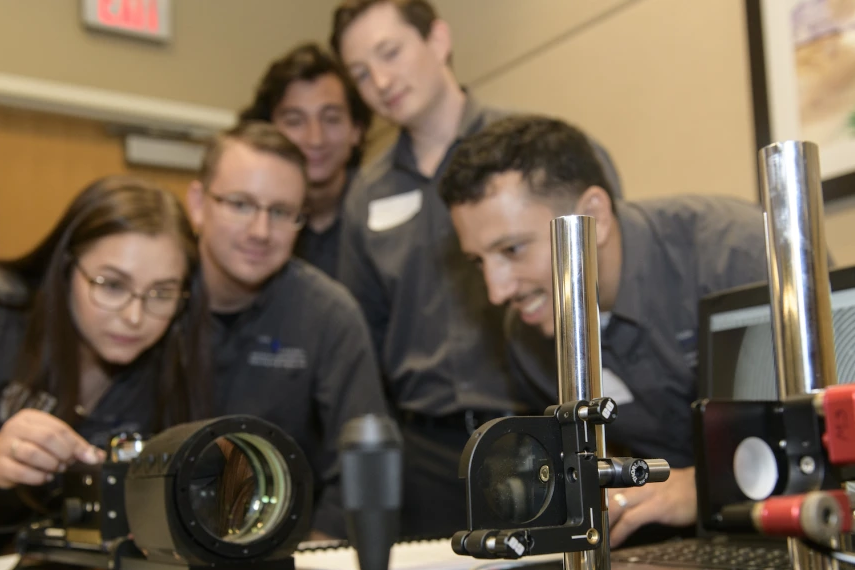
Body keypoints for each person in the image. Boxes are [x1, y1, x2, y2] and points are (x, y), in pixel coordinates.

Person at [330, 0, 625, 538]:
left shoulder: (534, 155)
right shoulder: (366, 195)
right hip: (424, 450)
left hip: (534, 431)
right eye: (359, 73)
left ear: (438, 40)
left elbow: (604, 282)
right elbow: (362, 339)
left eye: (389, 52)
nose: (379, 80)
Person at [440, 115, 770, 547]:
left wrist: (706, 486)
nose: (496, 291)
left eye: (512, 249)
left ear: (593, 213)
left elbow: (833, 430)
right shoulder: (528, 339)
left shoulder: (737, 257)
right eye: (479, 262)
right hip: (666, 548)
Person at [0, 175, 212, 570]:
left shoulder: (170, 357)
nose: (135, 316)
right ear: (66, 266)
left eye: (161, 293)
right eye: (111, 284)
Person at [185, 121, 389, 539]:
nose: (260, 231)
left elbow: (361, 466)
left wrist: (313, 563)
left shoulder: (329, 315)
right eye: (241, 204)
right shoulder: (149, 297)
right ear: (198, 203)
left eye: (280, 212)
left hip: (283, 557)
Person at [238, 42, 372, 278]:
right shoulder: (243, 221)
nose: (315, 138)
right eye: (295, 121)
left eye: (331, 119)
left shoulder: (380, 215)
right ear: (268, 130)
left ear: (357, 131)